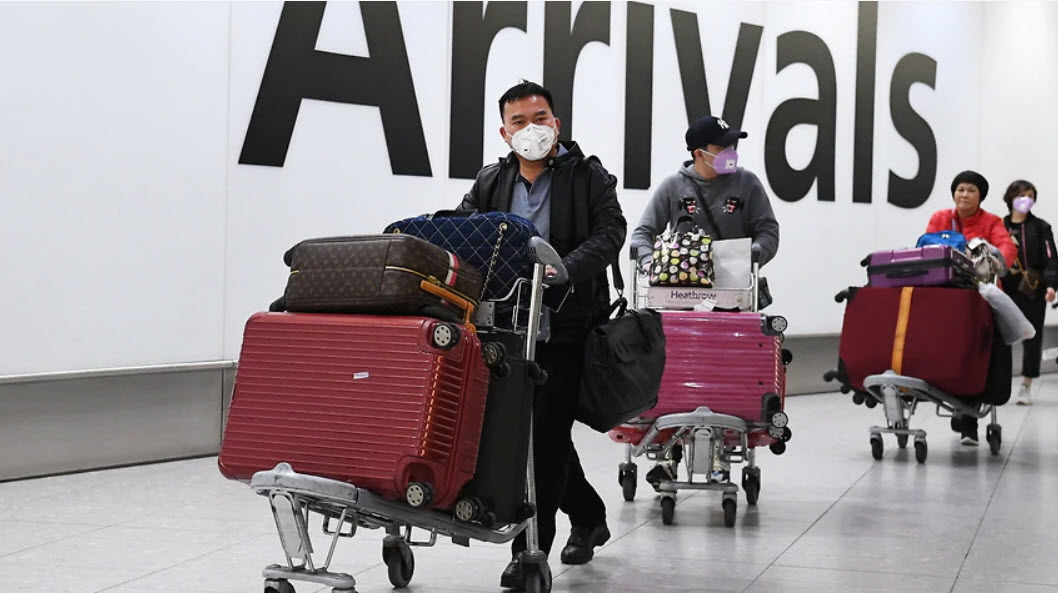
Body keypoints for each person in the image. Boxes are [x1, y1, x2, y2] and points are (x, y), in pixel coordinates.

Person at [459, 81, 626, 589]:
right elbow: (467, 230)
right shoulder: (491, 181)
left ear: (556, 121)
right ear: (504, 132)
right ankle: (591, 514)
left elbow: (610, 232)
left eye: (541, 117)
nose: (532, 129)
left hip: (568, 326)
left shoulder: (587, 176)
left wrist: (564, 270)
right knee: (527, 434)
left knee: (545, 436)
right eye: (520, 121)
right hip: (506, 329)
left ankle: (530, 550)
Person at [629, 115, 779, 488]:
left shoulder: (747, 184)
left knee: (724, 377)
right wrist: (651, 261)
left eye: (733, 145)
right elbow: (642, 233)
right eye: (723, 147)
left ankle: (722, 448)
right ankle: (668, 454)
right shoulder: (673, 188)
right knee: (675, 380)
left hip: (735, 302)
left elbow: (769, 231)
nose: (732, 152)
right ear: (700, 153)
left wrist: (750, 255)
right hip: (681, 303)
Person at [925, 170, 1016, 446]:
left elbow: (1006, 251)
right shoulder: (940, 218)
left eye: (971, 190)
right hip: (947, 297)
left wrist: (995, 259)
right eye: (960, 189)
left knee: (977, 351)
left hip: (981, 298)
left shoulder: (992, 222)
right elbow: (926, 246)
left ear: (981, 196)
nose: (964, 195)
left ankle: (968, 420)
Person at [1001, 179, 1058, 405]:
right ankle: (999, 384)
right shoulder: (1000, 226)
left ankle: (1026, 384)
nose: (1025, 200)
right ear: (1011, 197)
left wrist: (1052, 285)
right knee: (1001, 338)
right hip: (1006, 290)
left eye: (1030, 196)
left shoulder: (1041, 227)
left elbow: (1051, 259)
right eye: (1021, 195)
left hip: (1033, 290)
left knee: (1032, 338)